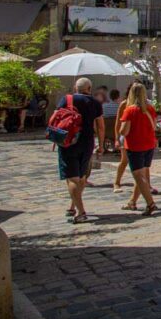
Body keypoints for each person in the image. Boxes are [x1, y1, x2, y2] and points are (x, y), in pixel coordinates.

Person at [55, 77, 105, 224]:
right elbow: (100, 126)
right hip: (87, 142)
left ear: (75, 88)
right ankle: (73, 206)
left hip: (68, 141)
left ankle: (81, 211)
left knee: (71, 177)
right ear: (89, 89)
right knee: (81, 176)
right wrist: (101, 144)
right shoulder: (95, 103)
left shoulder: (66, 99)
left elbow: (56, 118)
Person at [118, 83, 159, 216]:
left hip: (135, 146)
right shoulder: (150, 108)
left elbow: (124, 131)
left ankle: (150, 203)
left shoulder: (130, 110)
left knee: (138, 176)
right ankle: (132, 202)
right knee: (141, 175)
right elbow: (153, 126)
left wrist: (119, 130)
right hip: (148, 144)